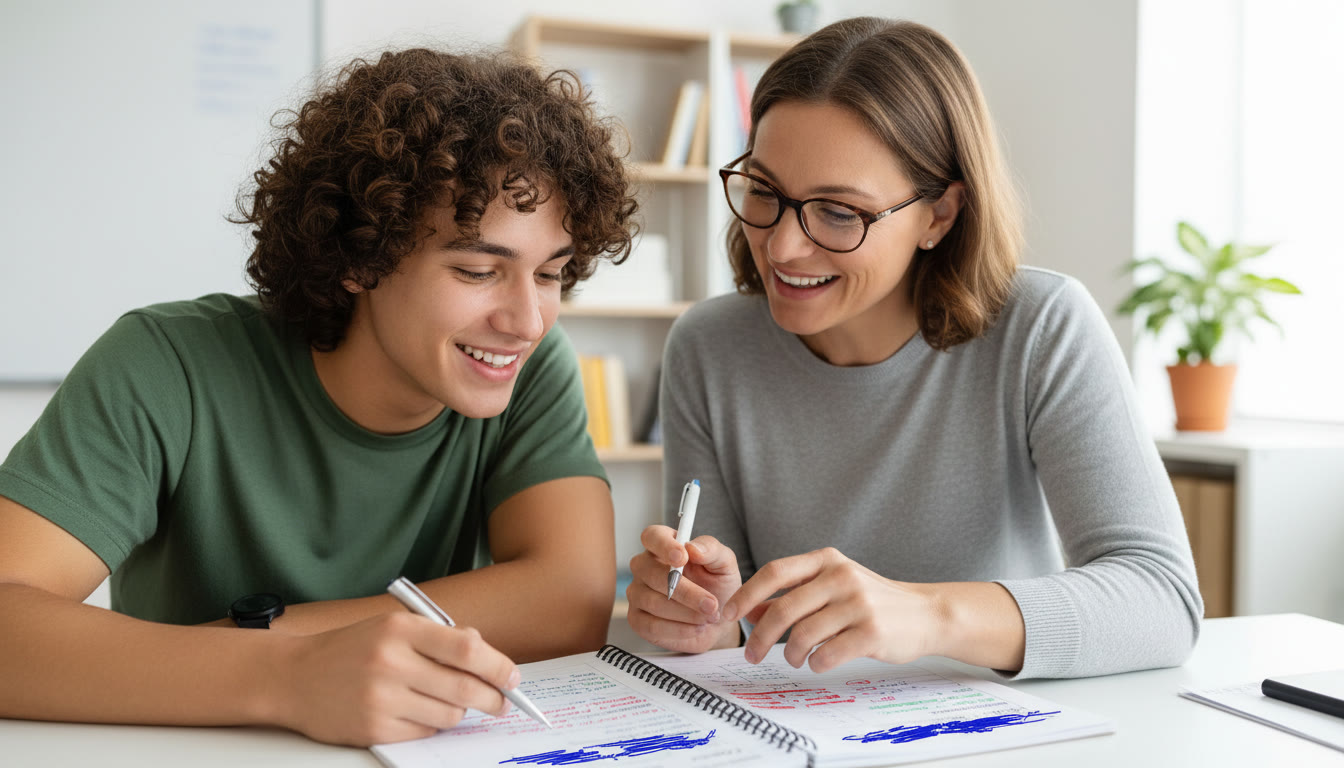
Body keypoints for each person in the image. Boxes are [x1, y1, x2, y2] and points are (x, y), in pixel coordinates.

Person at [0, 48, 637, 745]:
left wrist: (266, 639)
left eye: (551, 274)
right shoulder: (165, 363)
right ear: (361, 257)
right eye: (481, 270)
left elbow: (568, 600)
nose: (528, 321)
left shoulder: (526, 369)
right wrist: (288, 673)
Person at [627, 17, 1201, 679]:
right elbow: (737, 625)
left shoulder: (1043, 327)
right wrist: (712, 619)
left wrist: (926, 615)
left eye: (838, 212)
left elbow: (1162, 599)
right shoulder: (709, 348)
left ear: (941, 214)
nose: (782, 247)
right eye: (764, 191)